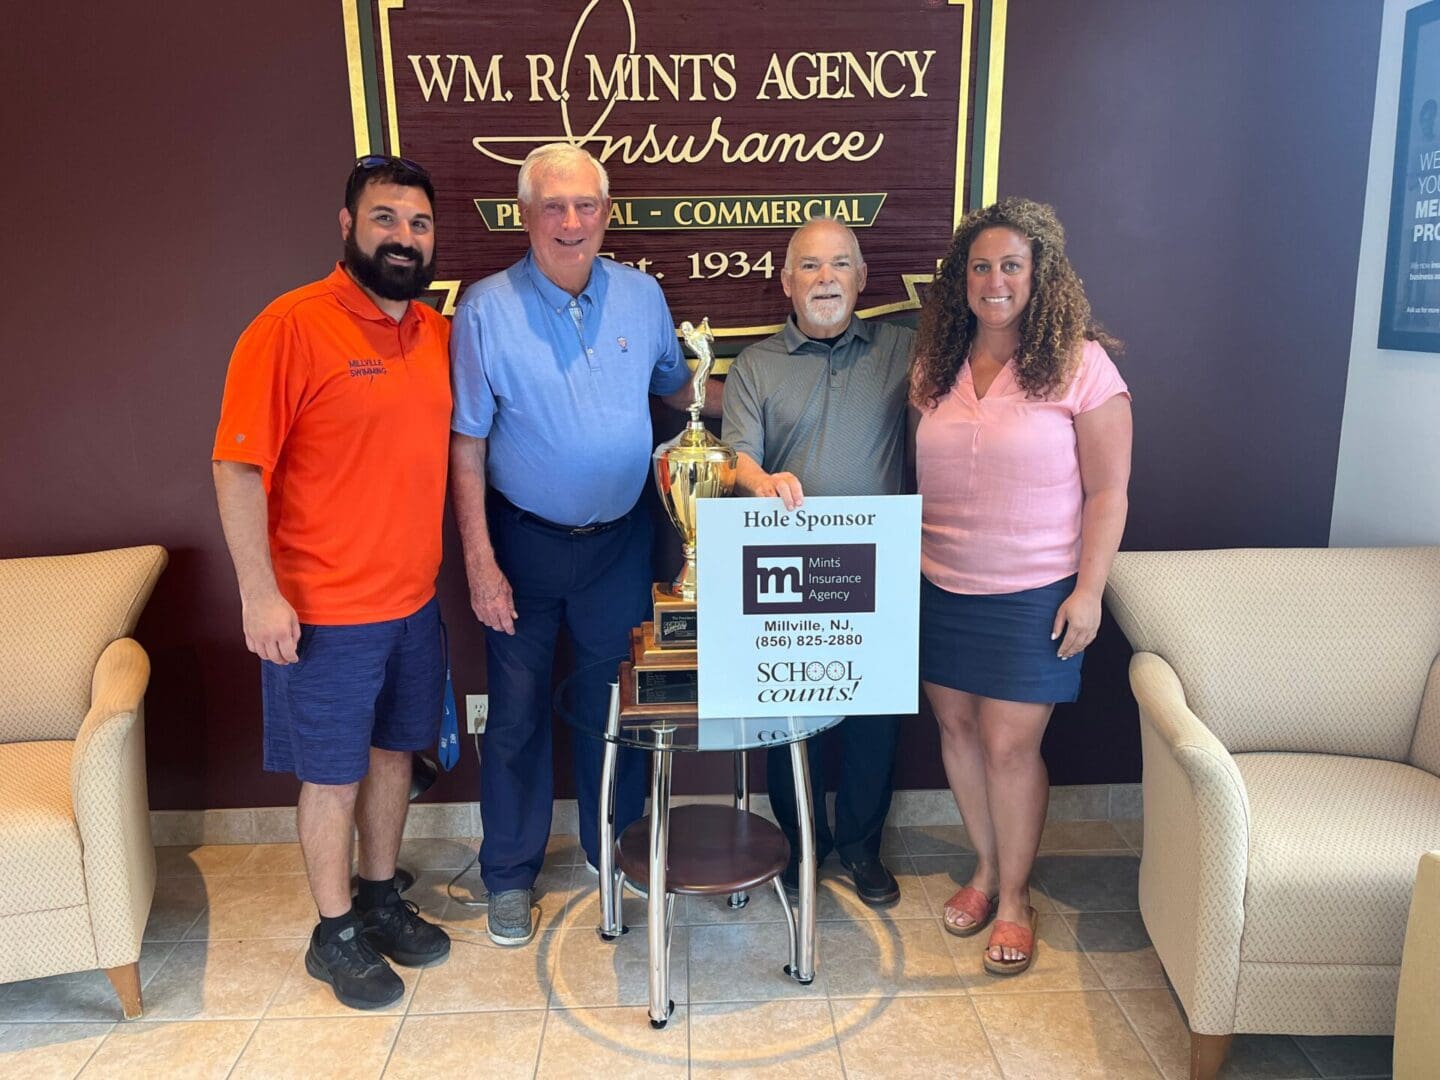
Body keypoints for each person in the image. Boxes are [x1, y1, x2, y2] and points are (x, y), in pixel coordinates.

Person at [449, 142, 720, 946]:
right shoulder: (484, 310)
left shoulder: (642, 296)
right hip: (522, 549)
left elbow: (681, 387)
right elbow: (466, 444)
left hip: (619, 548)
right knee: (518, 717)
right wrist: (479, 561)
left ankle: (617, 849)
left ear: (607, 213)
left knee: (618, 710)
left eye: (587, 206)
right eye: (554, 207)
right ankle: (507, 873)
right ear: (525, 215)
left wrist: (758, 398)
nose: (572, 222)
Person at [212, 155, 453, 1009]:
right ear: (347, 226)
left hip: (413, 605)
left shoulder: (434, 332)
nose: (404, 238)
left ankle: (381, 897)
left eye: (419, 224)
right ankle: (335, 932)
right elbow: (237, 467)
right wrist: (258, 592)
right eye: (386, 219)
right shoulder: (290, 326)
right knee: (332, 774)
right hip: (322, 612)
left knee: (394, 758)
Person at [910, 197, 1132, 976]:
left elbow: (1108, 493)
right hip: (939, 583)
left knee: (1010, 747)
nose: (994, 281)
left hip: (1035, 590)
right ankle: (981, 867)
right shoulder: (934, 365)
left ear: (1040, 276)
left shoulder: (1080, 364)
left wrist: (1089, 590)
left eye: (1011, 265)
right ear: (961, 280)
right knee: (959, 735)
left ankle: (1014, 897)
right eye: (980, 266)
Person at [721, 218, 912, 906]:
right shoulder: (754, 364)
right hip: (786, 569)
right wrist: (760, 481)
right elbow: (736, 453)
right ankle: (799, 847)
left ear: (862, 279)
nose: (824, 278)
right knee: (788, 717)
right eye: (808, 266)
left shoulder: (906, 352)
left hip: (877, 566)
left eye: (839, 265)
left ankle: (861, 847)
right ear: (786, 281)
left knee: (872, 720)